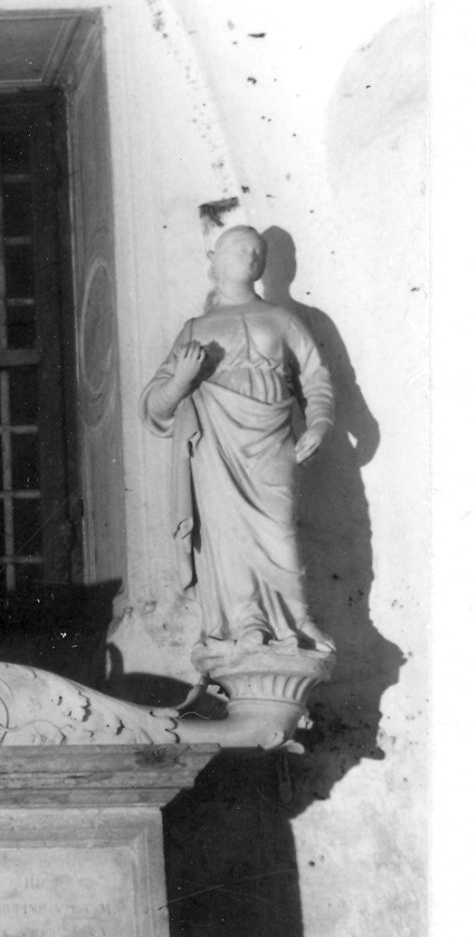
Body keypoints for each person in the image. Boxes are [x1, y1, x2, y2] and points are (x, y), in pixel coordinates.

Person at [140, 226, 333, 652]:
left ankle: (297, 621)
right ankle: (247, 623)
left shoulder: (282, 319)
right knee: (226, 538)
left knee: (281, 532)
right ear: (217, 259)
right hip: (217, 444)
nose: (250, 255)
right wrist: (182, 381)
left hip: (272, 438)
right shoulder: (195, 328)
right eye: (240, 247)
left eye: (257, 250)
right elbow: (155, 406)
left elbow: (316, 377)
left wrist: (318, 423)